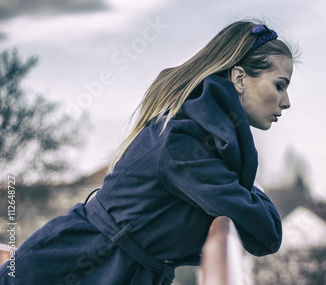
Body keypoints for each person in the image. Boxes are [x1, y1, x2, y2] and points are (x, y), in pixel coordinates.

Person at [0, 19, 296, 284]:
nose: (286, 102)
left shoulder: (205, 137)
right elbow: (267, 233)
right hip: (66, 268)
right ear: (240, 79)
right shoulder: (185, 142)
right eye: (280, 85)